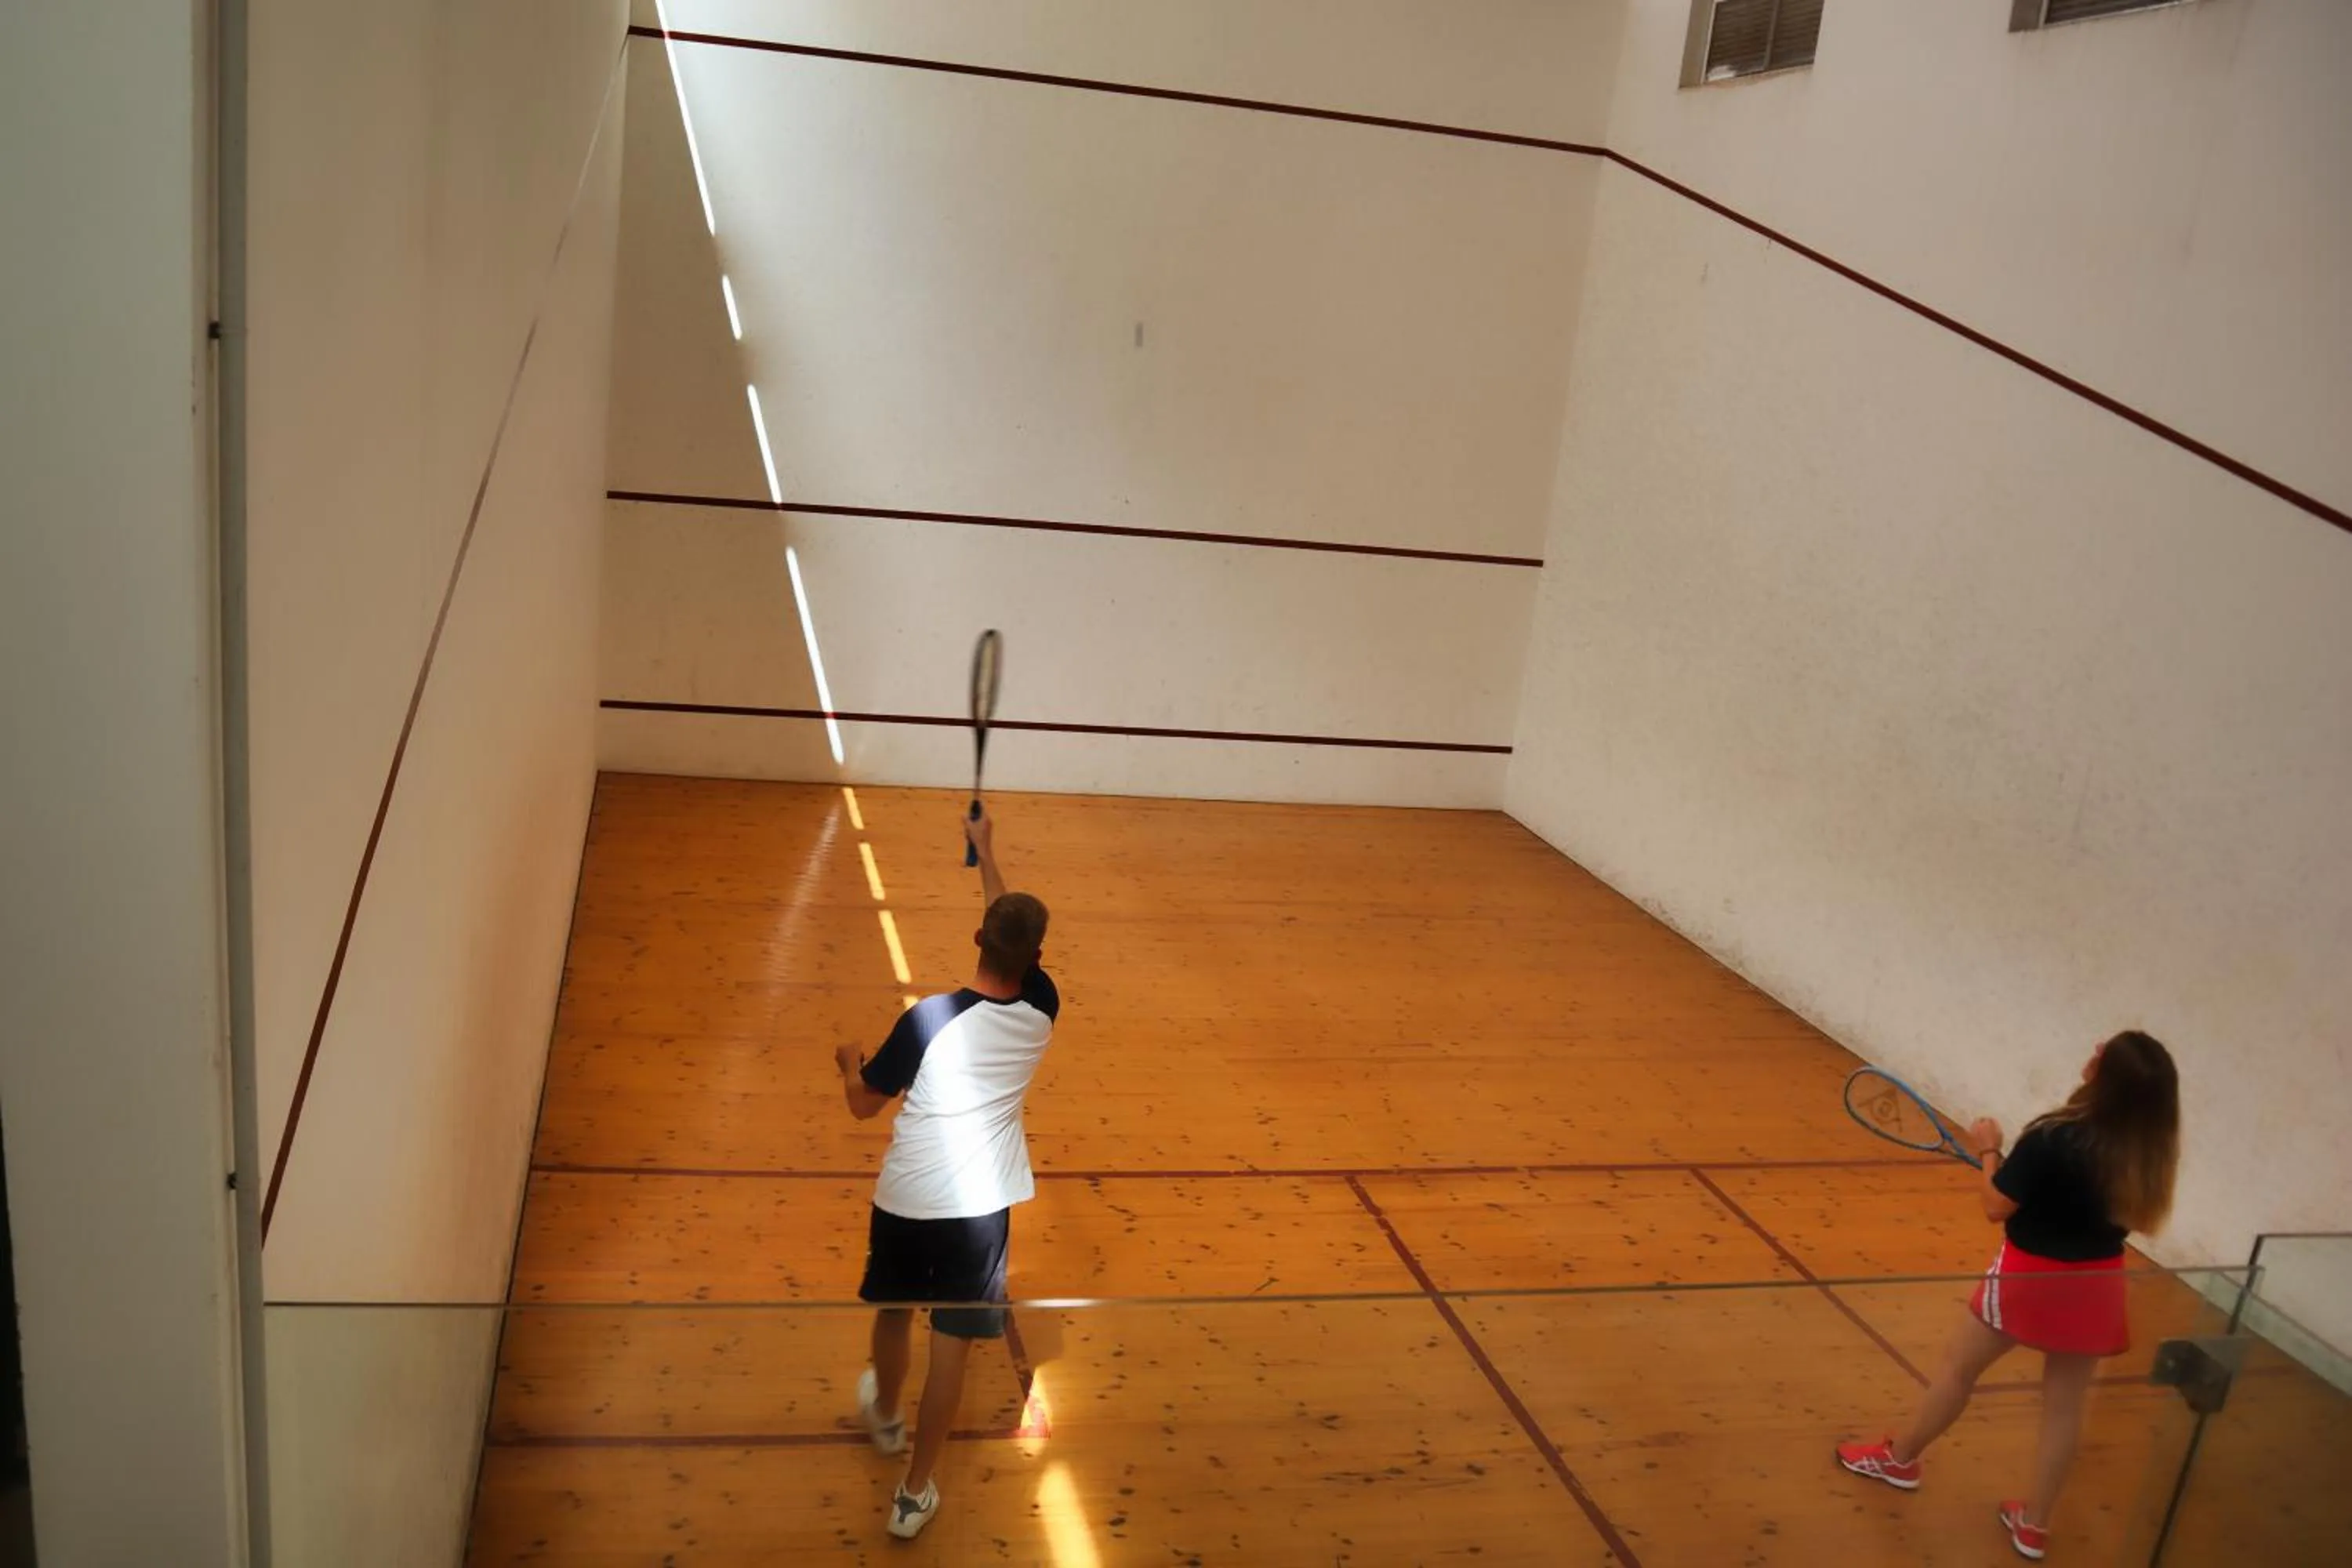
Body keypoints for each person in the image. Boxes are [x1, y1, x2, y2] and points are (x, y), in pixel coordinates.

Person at [1835, 1031, 2181, 1561]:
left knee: (1957, 1371)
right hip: (2097, 1286)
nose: (2090, 1050)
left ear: (2104, 1077)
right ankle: (2034, 1525)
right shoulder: (2147, 1154)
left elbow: (1997, 1206)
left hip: (2030, 1279)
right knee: (2065, 1409)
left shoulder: (2053, 1136)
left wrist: (1990, 1150)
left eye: (2100, 1053)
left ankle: (1901, 1460)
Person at [831, 808, 1056, 1541]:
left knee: (895, 1310)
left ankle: (888, 1420)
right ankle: (914, 1493)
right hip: (978, 1208)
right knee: (952, 1344)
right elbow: (1010, 928)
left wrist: (847, 1064)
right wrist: (989, 850)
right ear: (1037, 957)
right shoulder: (1043, 1008)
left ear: (976, 941)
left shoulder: (927, 1021)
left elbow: (864, 1107)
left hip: (905, 1197)